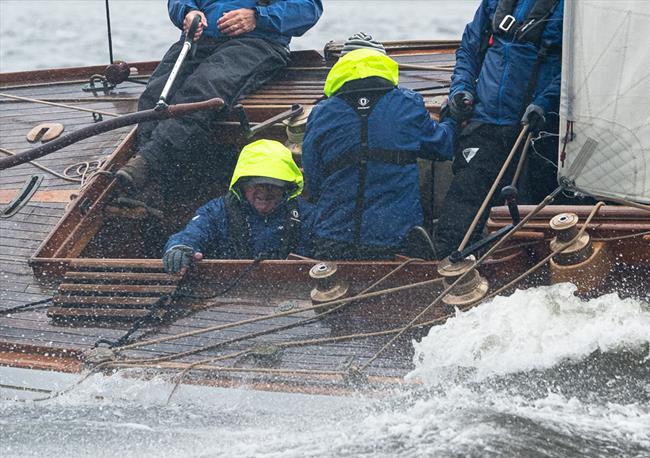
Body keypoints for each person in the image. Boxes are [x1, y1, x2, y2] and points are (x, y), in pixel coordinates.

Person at [115, 0, 323, 196]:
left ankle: (147, 166)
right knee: (154, 94)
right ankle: (150, 179)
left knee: (202, 90)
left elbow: (308, 9)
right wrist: (187, 12)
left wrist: (257, 17)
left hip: (257, 42)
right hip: (198, 40)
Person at [301, 34, 458, 260]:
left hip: (333, 240)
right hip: (395, 241)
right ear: (382, 63)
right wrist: (450, 118)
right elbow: (443, 146)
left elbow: (313, 183)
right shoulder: (407, 103)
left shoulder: (321, 113)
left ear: (341, 67)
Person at [433, 0, 564, 257]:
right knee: (455, 224)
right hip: (486, 124)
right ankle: (447, 269)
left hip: (535, 132)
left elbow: (577, 66)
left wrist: (544, 103)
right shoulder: (493, 3)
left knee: (530, 227)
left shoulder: (569, 9)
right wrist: (461, 90)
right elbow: (469, 50)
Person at [162, 139, 304, 272]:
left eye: (273, 186)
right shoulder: (217, 211)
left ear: (286, 189)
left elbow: (323, 240)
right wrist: (179, 249)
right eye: (256, 184)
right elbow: (191, 235)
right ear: (242, 186)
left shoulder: (303, 213)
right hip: (224, 289)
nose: (264, 191)